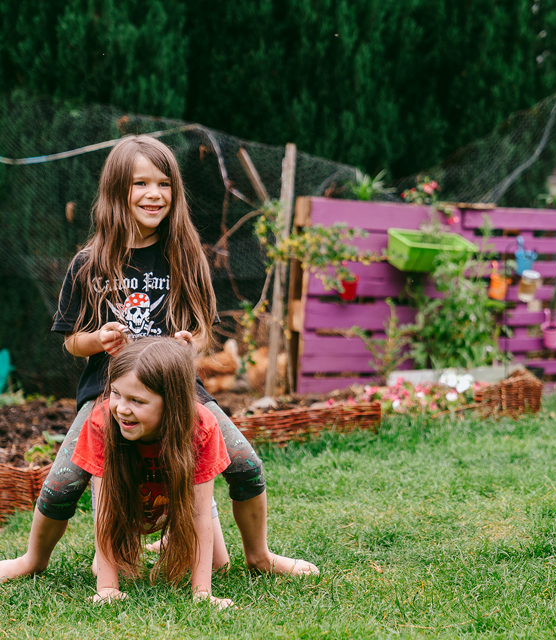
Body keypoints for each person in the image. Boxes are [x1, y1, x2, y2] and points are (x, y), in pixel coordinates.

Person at [0, 134, 318, 583]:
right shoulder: (89, 263)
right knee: (62, 484)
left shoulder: (185, 256)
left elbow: (205, 329)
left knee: (246, 465)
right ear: (116, 192)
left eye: (164, 184)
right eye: (140, 184)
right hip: (109, 394)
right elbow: (71, 341)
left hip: (178, 389)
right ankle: (33, 559)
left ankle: (260, 556)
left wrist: (192, 347)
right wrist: (98, 338)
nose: (154, 194)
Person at [78, 337, 233, 607]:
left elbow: (199, 513)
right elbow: (104, 509)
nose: (122, 409)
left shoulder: (202, 427)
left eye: (137, 400)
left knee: (220, 566)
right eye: (116, 394)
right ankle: (135, 548)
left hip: (182, 497)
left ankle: (172, 536)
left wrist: (202, 594)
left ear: (172, 402)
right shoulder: (102, 422)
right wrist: (107, 587)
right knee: (107, 569)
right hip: (126, 503)